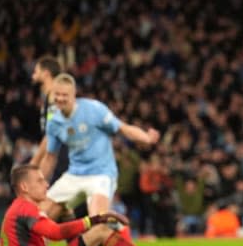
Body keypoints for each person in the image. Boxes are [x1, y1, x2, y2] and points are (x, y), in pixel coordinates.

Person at [0, 164, 212, 246]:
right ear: (24, 187)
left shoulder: (19, 211)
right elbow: (55, 233)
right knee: (100, 231)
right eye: (39, 180)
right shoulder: (23, 208)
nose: (46, 184)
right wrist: (95, 219)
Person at [38, 73, 160, 222]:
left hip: (101, 174)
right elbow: (50, 157)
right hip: (74, 174)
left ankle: (115, 230)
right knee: (41, 216)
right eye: (57, 94)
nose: (60, 99)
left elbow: (123, 128)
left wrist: (146, 137)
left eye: (65, 95)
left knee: (97, 221)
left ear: (74, 94)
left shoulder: (93, 109)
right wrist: (38, 185)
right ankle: (80, 231)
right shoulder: (54, 122)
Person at [28, 55, 68, 183]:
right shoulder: (50, 97)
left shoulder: (54, 97)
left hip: (63, 159)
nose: (33, 76)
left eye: (36, 72)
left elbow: (51, 133)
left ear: (46, 74)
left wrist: (34, 162)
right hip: (59, 158)